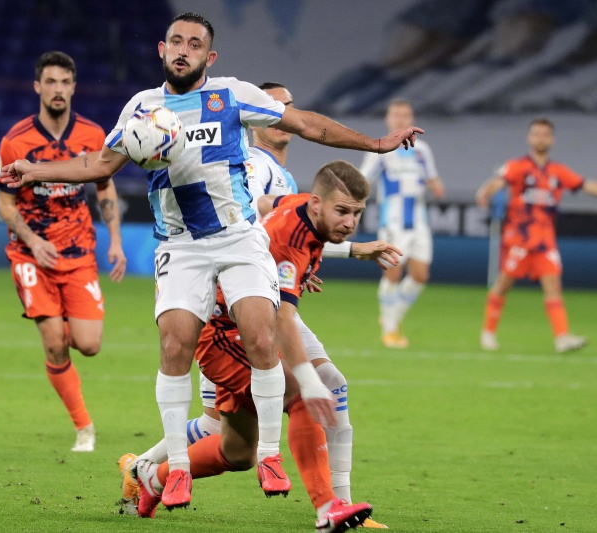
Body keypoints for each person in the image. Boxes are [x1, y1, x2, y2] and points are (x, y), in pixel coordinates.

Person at [0, 12, 423, 508]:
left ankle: (269, 455)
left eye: (194, 44)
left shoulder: (233, 94)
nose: (184, 50)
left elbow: (307, 124)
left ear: (209, 56)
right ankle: (176, 468)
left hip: (238, 237)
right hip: (180, 245)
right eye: (176, 41)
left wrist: (375, 143)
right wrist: (35, 171)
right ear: (162, 49)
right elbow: (101, 164)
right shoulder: (142, 108)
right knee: (174, 346)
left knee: (261, 335)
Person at [132, 161, 400, 532]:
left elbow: (265, 205)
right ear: (318, 204)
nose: (350, 222)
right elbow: (283, 320)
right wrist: (309, 381)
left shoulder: (300, 205)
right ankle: (328, 507)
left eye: (357, 213)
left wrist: (349, 252)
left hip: (243, 329)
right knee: (302, 396)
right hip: (224, 332)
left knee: (237, 451)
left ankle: (153, 478)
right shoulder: (291, 243)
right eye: (342, 211)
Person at [0, 51, 127, 452]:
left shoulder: (93, 135)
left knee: (89, 345)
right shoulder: (15, 141)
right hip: (31, 254)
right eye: (50, 82)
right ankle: (84, 428)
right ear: (37, 86)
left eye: (65, 82)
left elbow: (104, 185)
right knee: (54, 343)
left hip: (78, 251)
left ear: (74, 87)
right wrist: (32, 240)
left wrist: (115, 239)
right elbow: (4, 203)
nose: (58, 89)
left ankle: (63, 321)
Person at [476, 117, 597, 352]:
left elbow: (584, 185)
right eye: (536, 134)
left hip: (544, 241)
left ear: (552, 139)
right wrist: (484, 192)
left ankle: (562, 337)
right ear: (529, 138)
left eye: (545, 135)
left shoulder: (558, 171)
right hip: (518, 239)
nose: (540, 139)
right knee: (503, 284)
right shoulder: (518, 166)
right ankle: (488, 332)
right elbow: (498, 182)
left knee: (553, 285)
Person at [360, 99, 445, 349]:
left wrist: (436, 185)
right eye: (395, 115)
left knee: (420, 276)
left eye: (404, 115)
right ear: (388, 119)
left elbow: (432, 178)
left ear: (411, 119)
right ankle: (389, 329)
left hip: (419, 221)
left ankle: (392, 316)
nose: (400, 119)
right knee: (393, 272)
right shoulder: (380, 148)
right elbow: (363, 179)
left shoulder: (422, 150)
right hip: (393, 221)